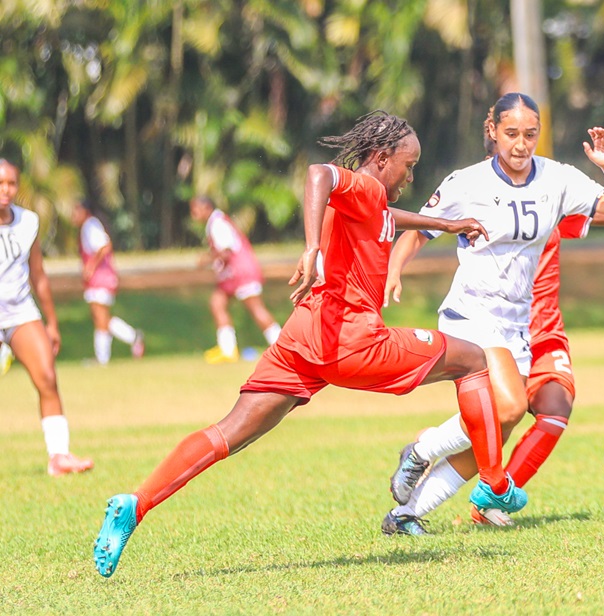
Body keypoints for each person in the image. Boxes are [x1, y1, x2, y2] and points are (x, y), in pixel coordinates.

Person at [92, 110, 526, 578]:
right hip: (352, 341)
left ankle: (134, 505)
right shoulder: (362, 186)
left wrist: (446, 225)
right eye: (409, 164)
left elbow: (384, 216)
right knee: (472, 360)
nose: (412, 173)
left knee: (227, 432)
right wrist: (311, 247)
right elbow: (319, 174)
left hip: (303, 337)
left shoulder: (372, 198)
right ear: (381, 158)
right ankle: (496, 482)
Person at [381, 92, 604, 534]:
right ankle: (422, 453)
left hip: (514, 324)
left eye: (531, 135)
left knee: (499, 425)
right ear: (493, 132)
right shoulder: (468, 182)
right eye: (512, 133)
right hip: (471, 313)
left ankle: (407, 512)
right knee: (511, 404)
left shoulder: (557, 179)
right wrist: (394, 271)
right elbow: (418, 232)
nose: (521, 144)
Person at [0, 159, 94, 476]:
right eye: (0, 184)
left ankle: (59, 457)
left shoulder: (28, 222)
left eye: (11, 183)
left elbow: (38, 274)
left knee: (48, 378)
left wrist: (51, 322)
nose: (6, 190)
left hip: (20, 311)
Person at [188, 195, 282, 364]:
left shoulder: (218, 223)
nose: (193, 214)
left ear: (206, 207)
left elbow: (226, 251)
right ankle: (228, 350)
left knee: (256, 309)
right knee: (217, 303)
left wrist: (207, 259)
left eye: (195, 209)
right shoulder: (214, 222)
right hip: (233, 274)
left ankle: (283, 348)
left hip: (242, 272)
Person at [70, 200, 144, 365]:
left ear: (85, 211)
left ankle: (103, 357)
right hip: (97, 280)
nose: (73, 216)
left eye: (76, 211)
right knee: (99, 317)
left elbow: (104, 246)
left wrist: (91, 266)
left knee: (100, 316)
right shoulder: (87, 227)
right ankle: (133, 337)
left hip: (101, 278)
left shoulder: (91, 226)